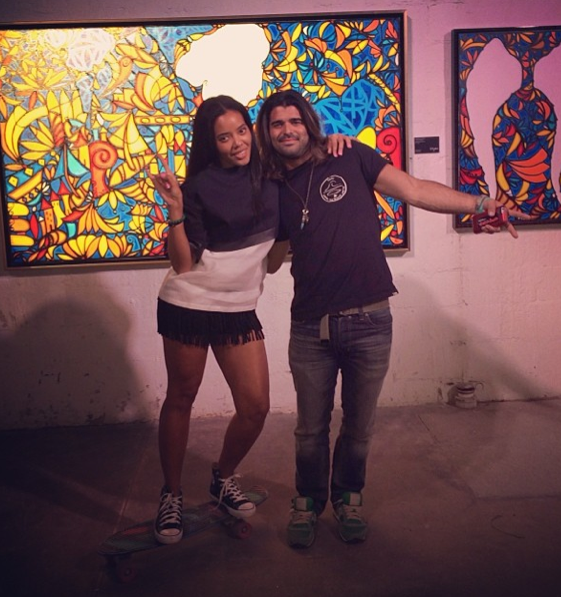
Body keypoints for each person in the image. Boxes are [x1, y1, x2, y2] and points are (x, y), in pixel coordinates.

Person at [255, 89, 531, 548]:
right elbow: (270, 261)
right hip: (310, 326)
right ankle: (307, 502)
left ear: (309, 123)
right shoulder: (273, 187)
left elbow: (416, 191)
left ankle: (348, 499)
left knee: (359, 427)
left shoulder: (350, 156)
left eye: (294, 121)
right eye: (277, 124)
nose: (287, 130)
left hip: (369, 321)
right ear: (268, 133)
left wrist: (481, 203)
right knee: (309, 429)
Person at [150, 94, 348, 545]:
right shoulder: (198, 187)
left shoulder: (274, 178)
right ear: (211, 143)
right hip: (188, 303)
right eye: (224, 137)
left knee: (255, 406)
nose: (237, 142)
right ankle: (171, 494)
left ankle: (222, 477)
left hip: (238, 308)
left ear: (252, 130)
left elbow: (273, 261)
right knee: (181, 397)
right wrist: (175, 211)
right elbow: (183, 264)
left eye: (242, 131)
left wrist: (334, 141)